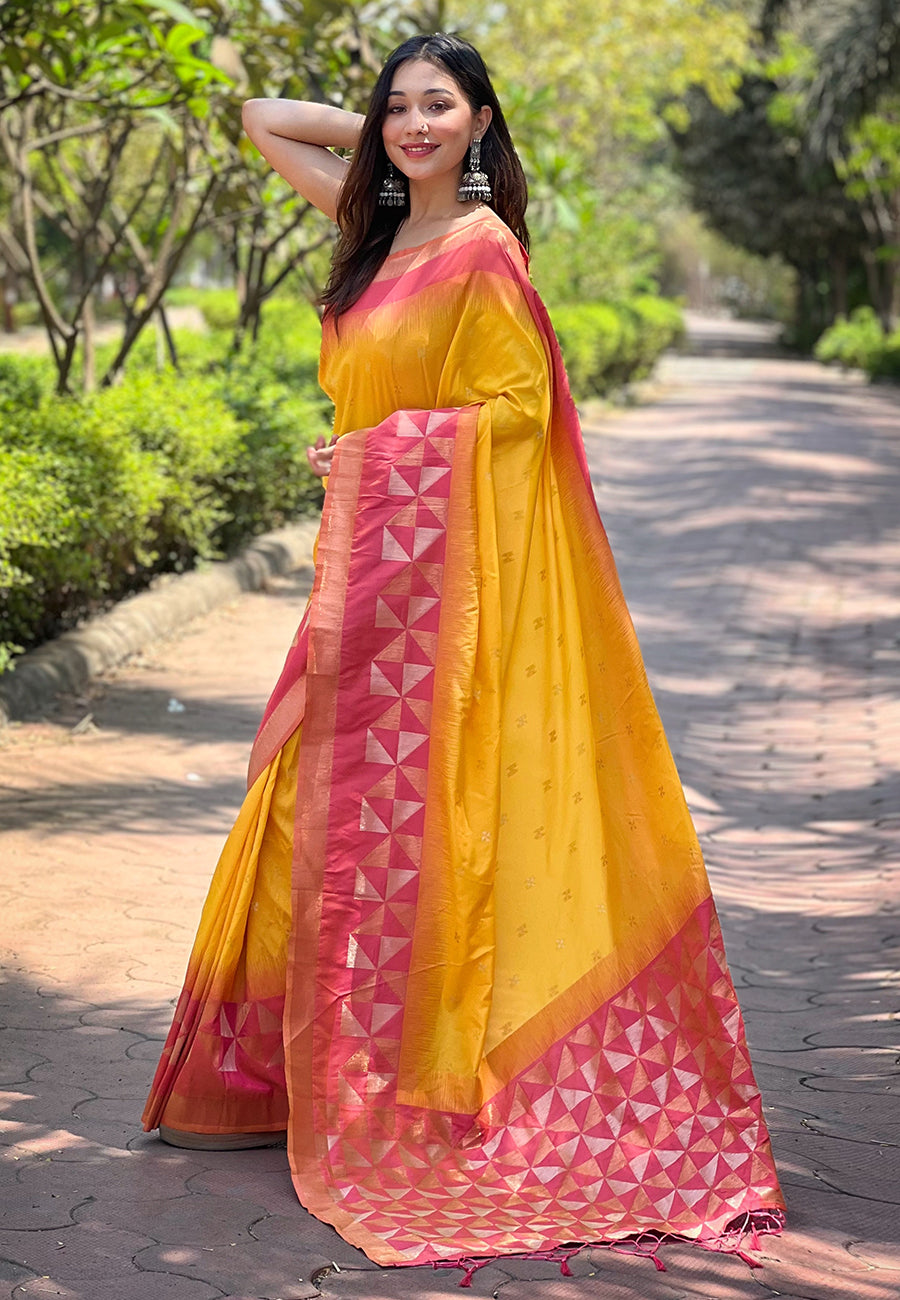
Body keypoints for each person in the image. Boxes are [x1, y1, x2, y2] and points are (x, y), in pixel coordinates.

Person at [143, 32, 784, 1279]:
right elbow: (259, 118)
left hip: (434, 580)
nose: (415, 124)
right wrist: (387, 131)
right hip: (370, 571)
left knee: (415, 822)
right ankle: (279, 1072)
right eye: (401, 107)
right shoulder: (376, 234)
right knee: (303, 805)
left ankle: (397, 1079)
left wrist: (376, 462)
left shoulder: (483, 254)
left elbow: (517, 414)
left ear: (486, 120)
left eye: (442, 107)